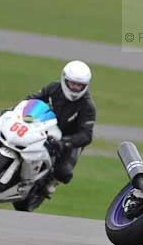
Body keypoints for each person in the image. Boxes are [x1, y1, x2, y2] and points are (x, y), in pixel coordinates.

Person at [26, 60, 96, 194]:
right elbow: (32, 99)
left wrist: (65, 142)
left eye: (79, 85)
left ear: (85, 86)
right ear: (65, 79)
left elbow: (86, 135)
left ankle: (51, 183)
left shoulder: (87, 106)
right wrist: (15, 110)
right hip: (43, 127)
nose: (75, 87)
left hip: (68, 141)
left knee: (63, 173)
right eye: (72, 83)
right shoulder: (54, 88)